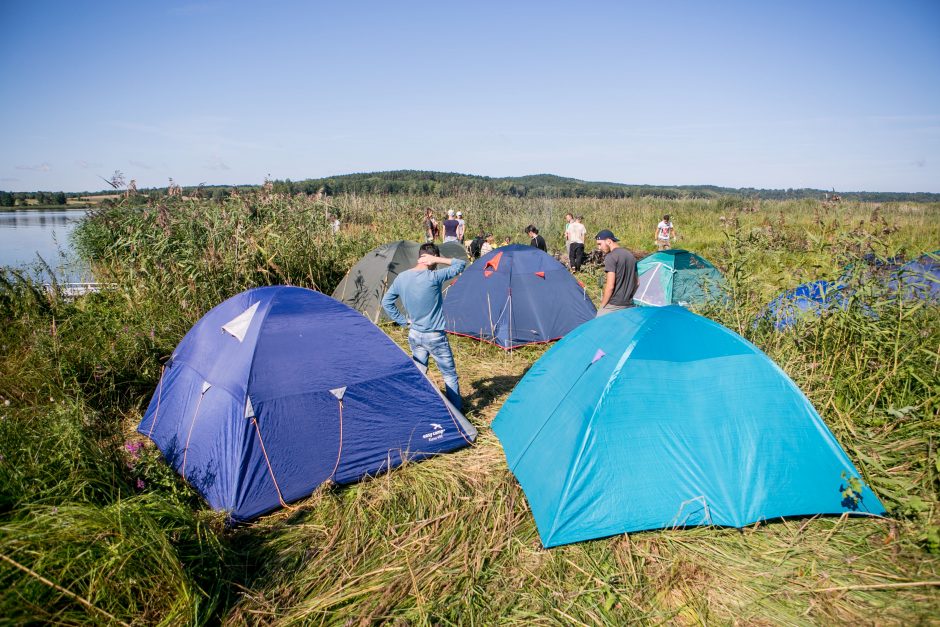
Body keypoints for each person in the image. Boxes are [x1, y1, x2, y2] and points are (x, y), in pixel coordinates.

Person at [382, 244, 466, 409]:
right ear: (430, 258)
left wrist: (403, 321)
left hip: (414, 334)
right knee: (449, 376)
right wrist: (437, 258)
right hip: (435, 336)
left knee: (419, 374)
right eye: (434, 259)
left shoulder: (402, 277)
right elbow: (460, 264)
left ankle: (418, 408)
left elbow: (386, 302)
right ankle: (458, 417)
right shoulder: (433, 277)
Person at [595, 229, 638, 317]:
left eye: (600, 244)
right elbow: (637, 283)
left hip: (614, 305)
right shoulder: (630, 255)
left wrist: (602, 306)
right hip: (629, 305)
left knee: (596, 326)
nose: (599, 248)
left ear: (608, 241)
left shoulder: (610, 257)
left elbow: (610, 286)